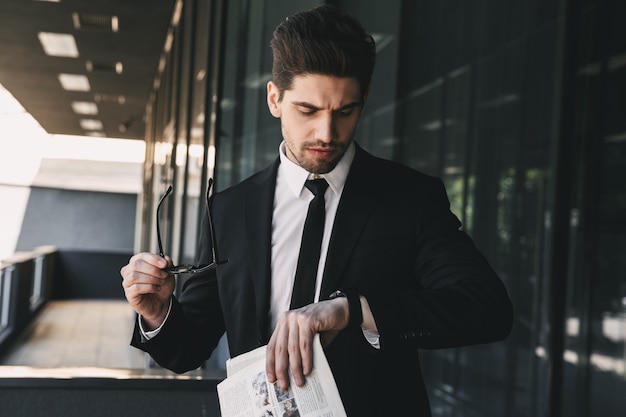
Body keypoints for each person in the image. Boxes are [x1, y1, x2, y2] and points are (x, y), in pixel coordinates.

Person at [120, 5, 513, 416]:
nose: (327, 133)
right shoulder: (229, 209)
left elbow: (486, 309)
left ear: (363, 102)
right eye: (308, 111)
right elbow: (189, 348)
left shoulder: (409, 198)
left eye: (345, 112)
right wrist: (158, 313)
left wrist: (352, 310)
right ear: (275, 99)